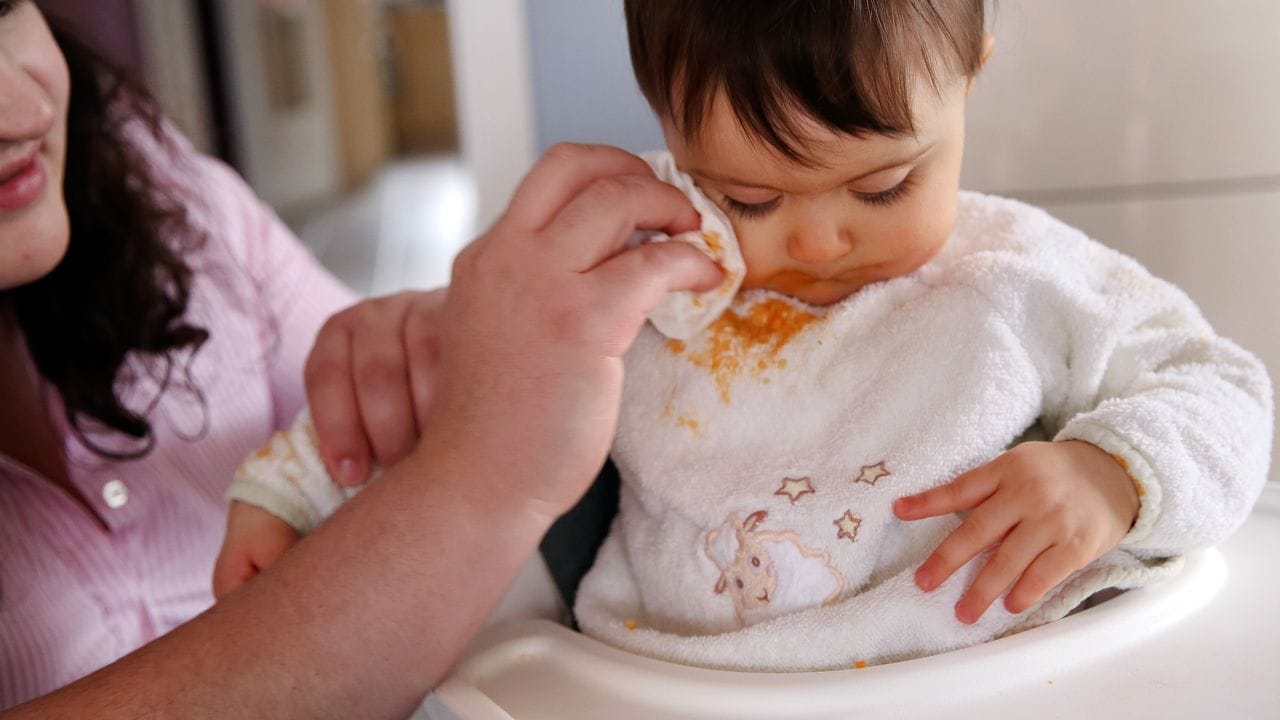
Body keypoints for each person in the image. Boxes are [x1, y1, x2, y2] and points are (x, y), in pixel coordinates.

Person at [218, 0, 1273, 673]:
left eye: (881, 183)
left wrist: (1107, 475)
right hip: (657, 685)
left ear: (968, 80)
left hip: (981, 680)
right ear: (670, 132)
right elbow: (459, 374)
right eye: (748, 197)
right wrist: (289, 494)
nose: (817, 237)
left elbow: (1219, 387)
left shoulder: (1025, 275)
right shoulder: (641, 265)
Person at [1, 3, 719, 715]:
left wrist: (433, 356)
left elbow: (367, 411)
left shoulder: (165, 188)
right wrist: (477, 474)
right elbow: (471, 461)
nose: (25, 108)